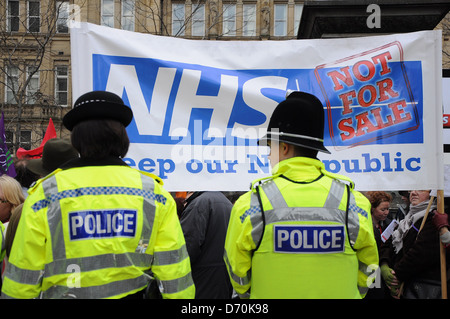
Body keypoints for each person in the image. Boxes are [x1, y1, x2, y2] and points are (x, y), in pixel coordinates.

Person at [1, 90, 195, 299]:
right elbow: (176, 281)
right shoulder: (154, 194)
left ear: (76, 139)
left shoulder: (44, 196)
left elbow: (20, 285)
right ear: (123, 137)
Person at [224, 91, 378, 299]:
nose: (269, 155)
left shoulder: (251, 203)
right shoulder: (353, 201)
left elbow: (237, 272)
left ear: (284, 148)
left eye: (271, 148)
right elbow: (370, 266)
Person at [380, 190, 447, 299]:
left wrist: (396, 275)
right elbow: (388, 244)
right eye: (412, 190)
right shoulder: (406, 219)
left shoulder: (435, 218)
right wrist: (384, 264)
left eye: (421, 189)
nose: (414, 193)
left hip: (421, 288)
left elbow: (420, 254)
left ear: (431, 194)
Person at [180, 191, 233, 299]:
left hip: (202, 278)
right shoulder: (226, 202)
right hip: (223, 277)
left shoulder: (199, 203)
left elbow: (188, 246)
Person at [365, 191, 393, 299]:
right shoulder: (365, 224)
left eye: (387, 209)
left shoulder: (389, 225)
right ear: (372, 208)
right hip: (369, 269)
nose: (386, 212)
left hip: (383, 267)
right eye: (383, 209)